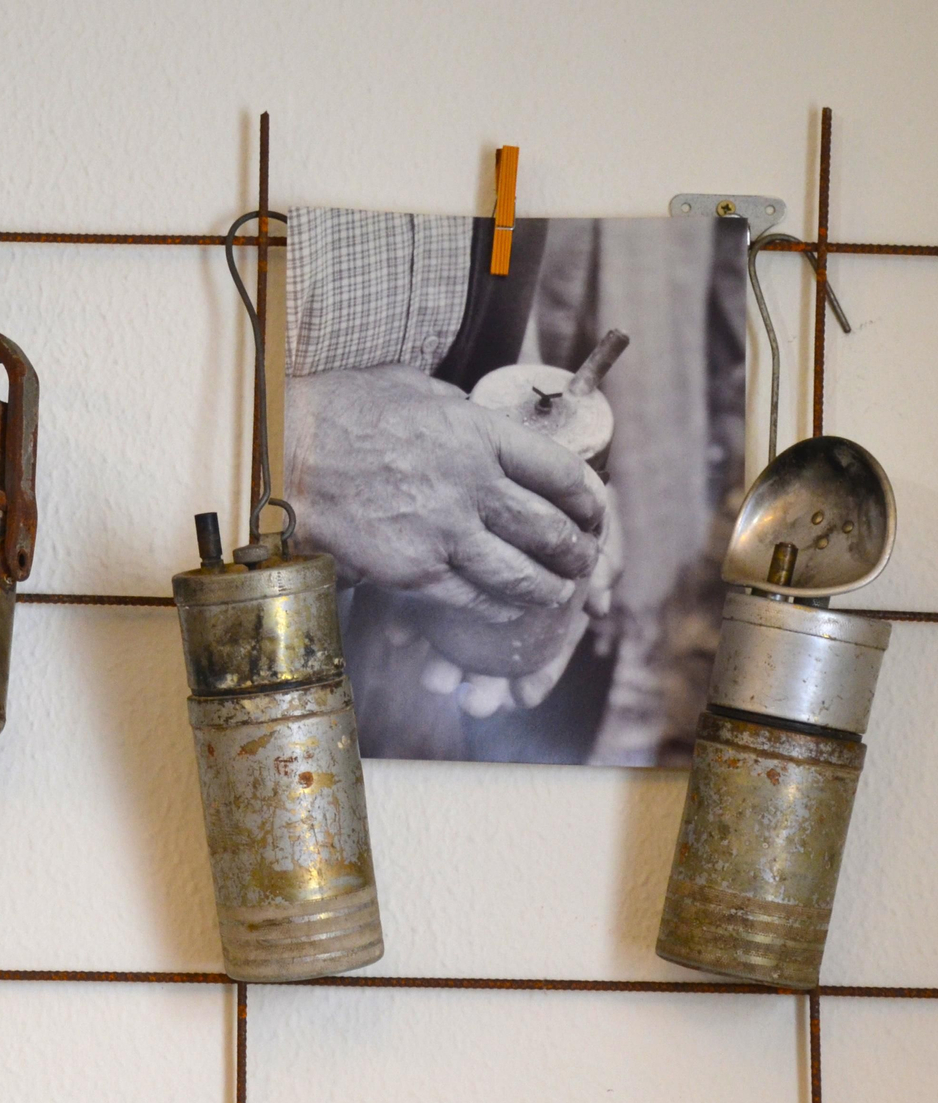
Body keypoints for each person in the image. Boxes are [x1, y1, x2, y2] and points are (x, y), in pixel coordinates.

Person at [282, 210, 741, 764]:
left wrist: (569, 477)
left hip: (439, 632)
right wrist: (298, 447)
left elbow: (463, 275)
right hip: (278, 634)